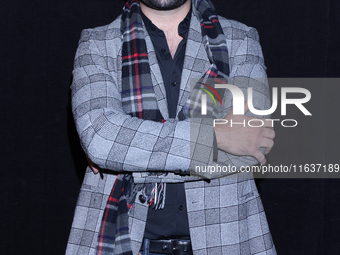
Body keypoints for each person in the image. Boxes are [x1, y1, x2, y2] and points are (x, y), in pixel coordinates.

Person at [66, 0, 276, 254]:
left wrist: (126, 154)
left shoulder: (240, 39)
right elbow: (100, 138)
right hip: (121, 240)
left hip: (227, 239)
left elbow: (251, 145)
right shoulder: (97, 43)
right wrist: (215, 135)